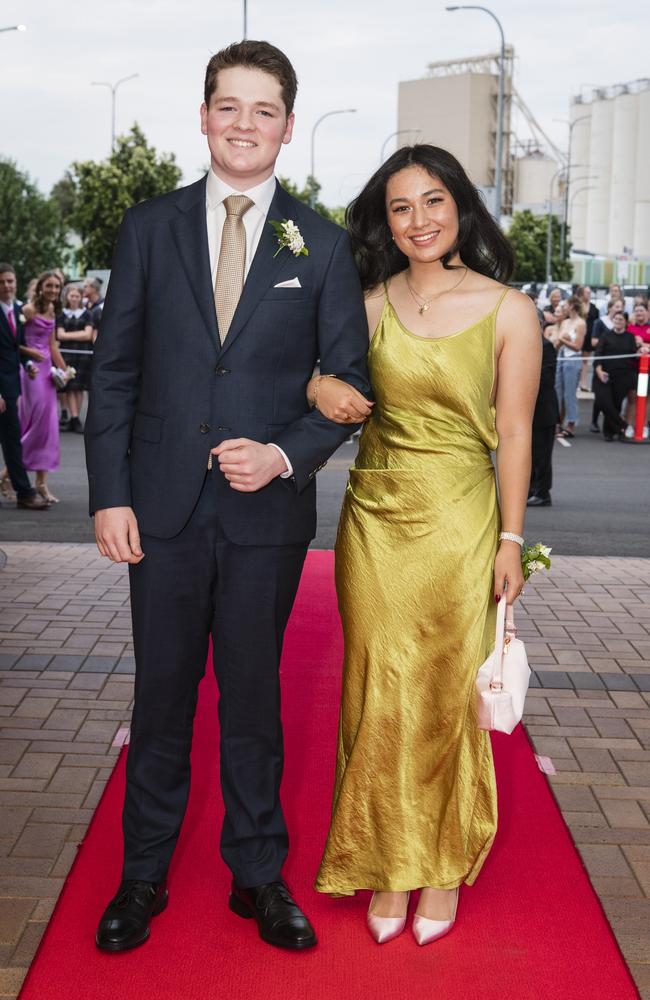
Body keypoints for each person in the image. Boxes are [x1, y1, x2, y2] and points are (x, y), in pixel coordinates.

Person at [86, 40, 370, 954]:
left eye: (264, 109)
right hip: (158, 511)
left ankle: (258, 875)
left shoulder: (321, 245)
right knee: (162, 695)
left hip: (263, 519)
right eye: (229, 105)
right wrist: (109, 495)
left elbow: (348, 382)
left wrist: (287, 457)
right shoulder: (148, 227)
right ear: (203, 115)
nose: (244, 124)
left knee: (253, 698)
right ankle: (143, 876)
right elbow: (117, 373)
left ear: (287, 126)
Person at [311, 145, 540, 945]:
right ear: (385, 219)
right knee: (376, 690)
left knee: (445, 696)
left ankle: (439, 868)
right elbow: (318, 376)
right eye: (401, 207)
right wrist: (320, 386)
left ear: (461, 207)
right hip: (374, 519)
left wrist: (512, 539)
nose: (419, 220)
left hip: (462, 522)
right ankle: (385, 860)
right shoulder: (367, 303)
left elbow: (514, 433)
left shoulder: (511, 310)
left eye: (433, 201)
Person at [0, 264, 49, 509]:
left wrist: (28, 363)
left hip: (12, 387)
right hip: (2, 390)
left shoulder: (18, 310)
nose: (7, 286)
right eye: (2, 282)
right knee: (11, 439)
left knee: (12, 441)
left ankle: (24, 492)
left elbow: (16, 347)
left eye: (10, 281)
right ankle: (25, 491)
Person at [18, 271, 67, 504]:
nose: (54, 290)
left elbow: (52, 346)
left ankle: (41, 484)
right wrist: (29, 353)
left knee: (48, 427)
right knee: (36, 424)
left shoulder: (51, 311)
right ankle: (9, 473)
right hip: (31, 372)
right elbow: (11, 342)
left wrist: (66, 370)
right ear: (41, 287)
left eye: (57, 287)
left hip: (48, 372)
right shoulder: (28, 310)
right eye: (50, 286)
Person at [594, 310, 646, 441]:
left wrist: (640, 350)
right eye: (616, 319)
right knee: (603, 401)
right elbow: (598, 354)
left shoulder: (629, 337)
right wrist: (599, 371)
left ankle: (611, 432)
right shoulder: (606, 335)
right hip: (605, 374)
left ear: (625, 322)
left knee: (616, 404)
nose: (617, 321)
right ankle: (622, 425)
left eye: (620, 319)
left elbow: (634, 355)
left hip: (623, 375)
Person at [528, 325, 560, 507]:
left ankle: (543, 492)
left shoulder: (546, 346)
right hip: (531, 411)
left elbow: (546, 378)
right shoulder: (527, 345)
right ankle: (532, 489)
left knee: (542, 455)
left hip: (543, 410)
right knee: (531, 454)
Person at [56, 284, 93, 432]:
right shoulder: (61, 314)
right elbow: (59, 335)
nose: (74, 298)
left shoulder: (87, 314)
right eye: (72, 296)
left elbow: (88, 335)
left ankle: (75, 417)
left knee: (80, 388)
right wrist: (80, 334)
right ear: (67, 297)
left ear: (81, 297)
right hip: (67, 354)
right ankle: (74, 417)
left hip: (83, 354)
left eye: (77, 296)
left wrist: (68, 335)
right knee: (70, 387)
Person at [551, 295, 586, 438]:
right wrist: (561, 341)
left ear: (571, 306)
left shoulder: (581, 323)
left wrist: (563, 340)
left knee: (569, 394)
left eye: (565, 305)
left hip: (573, 360)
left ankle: (571, 424)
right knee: (557, 392)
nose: (563, 307)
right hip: (561, 359)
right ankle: (557, 423)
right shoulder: (565, 323)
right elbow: (558, 345)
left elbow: (578, 347)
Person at [576, 285, 599, 391]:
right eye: (587, 292)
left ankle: (583, 383)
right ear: (581, 293)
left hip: (589, 336)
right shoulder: (577, 306)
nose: (589, 294)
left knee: (585, 360)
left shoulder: (594, 307)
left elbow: (596, 322)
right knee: (576, 360)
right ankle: (575, 382)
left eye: (590, 292)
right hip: (577, 335)